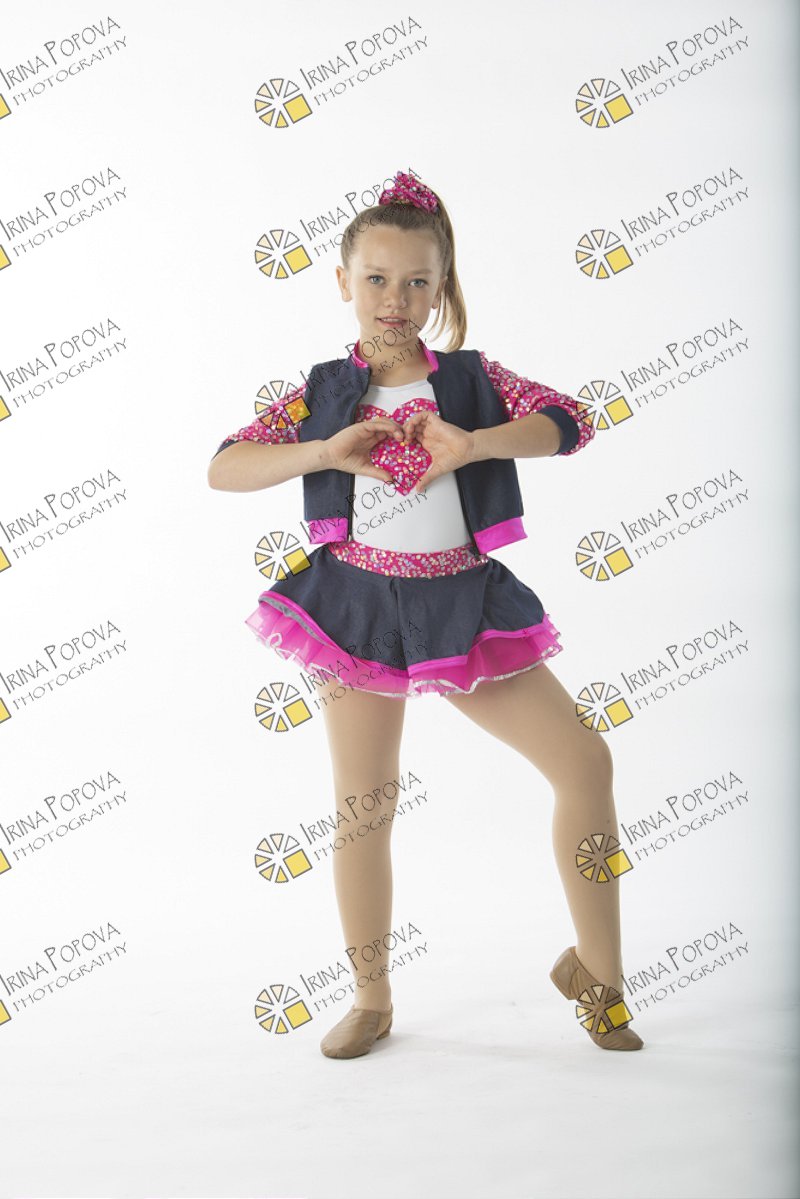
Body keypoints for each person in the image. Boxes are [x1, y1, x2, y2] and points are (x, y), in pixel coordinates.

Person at [208, 169, 644, 1059]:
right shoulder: (324, 391)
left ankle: (600, 974)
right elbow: (225, 465)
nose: (396, 299)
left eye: (417, 281)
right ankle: (371, 996)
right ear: (343, 281)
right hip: (355, 609)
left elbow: (571, 421)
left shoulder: (475, 381)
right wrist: (323, 451)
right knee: (364, 805)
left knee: (585, 761)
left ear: (442, 287)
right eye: (376, 278)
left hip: (464, 605)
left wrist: (475, 443)